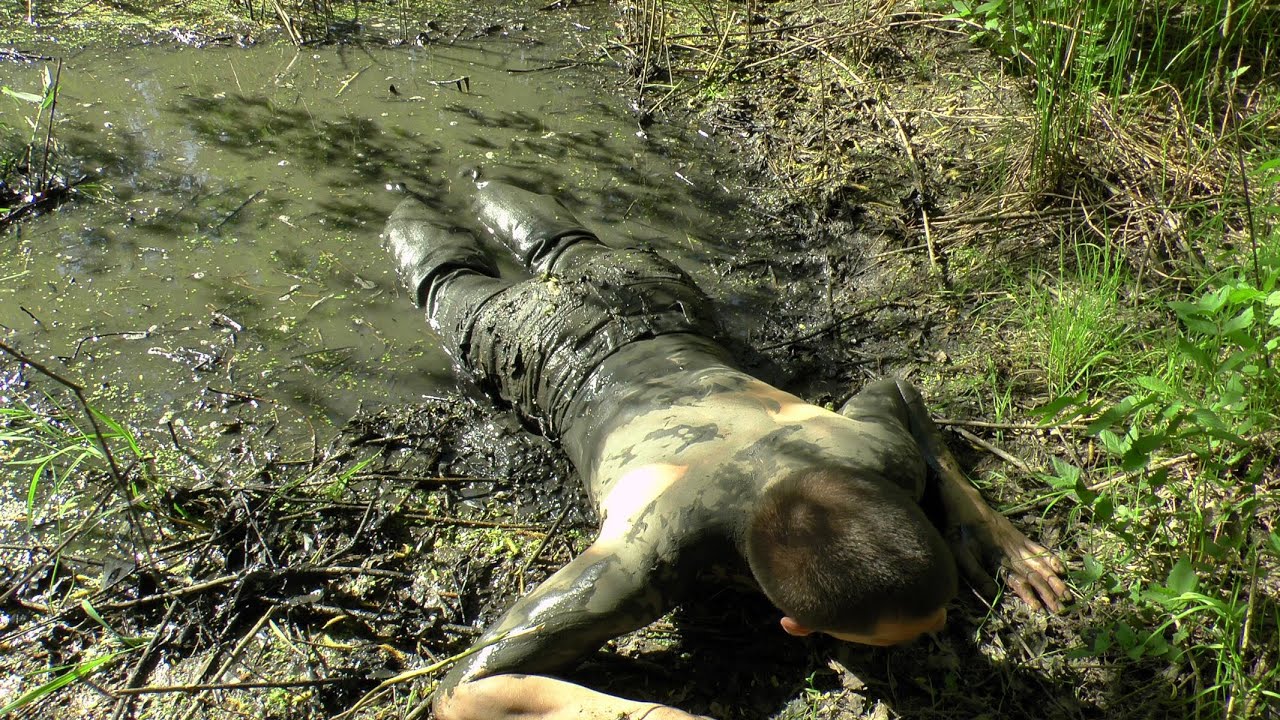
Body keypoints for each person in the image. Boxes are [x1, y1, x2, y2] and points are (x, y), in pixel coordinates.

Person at [383, 168, 1070, 720]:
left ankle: (456, 174)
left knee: (557, 243)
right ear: (795, 623)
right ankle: (406, 184)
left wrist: (972, 508)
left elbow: (893, 393)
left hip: (646, 290)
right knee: (442, 280)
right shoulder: (650, 554)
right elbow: (465, 696)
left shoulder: (874, 457)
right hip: (543, 345)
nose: (943, 625)